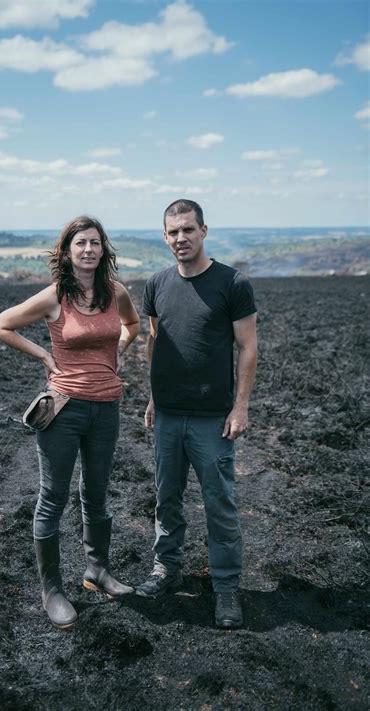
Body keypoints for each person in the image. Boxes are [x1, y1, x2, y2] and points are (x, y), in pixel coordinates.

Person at [0, 216, 139, 630]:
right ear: (68, 252)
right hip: (64, 410)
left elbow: (133, 325)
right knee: (53, 498)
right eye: (80, 244)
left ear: (104, 249)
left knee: (96, 494)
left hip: (107, 408)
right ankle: (52, 590)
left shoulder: (117, 294)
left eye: (95, 243)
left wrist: (117, 352)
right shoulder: (56, 296)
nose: (88, 250)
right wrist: (42, 356)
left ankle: (98, 572)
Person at [135, 199, 257, 630]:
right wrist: (153, 396)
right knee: (165, 500)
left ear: (204, 230)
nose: (181, 238)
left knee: (218, 505)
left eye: (188, 229)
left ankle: (226, 589)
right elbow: (155, 342)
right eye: (173, 232)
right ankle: (167, 570)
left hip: (212, 419)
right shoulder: (157, 284)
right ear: (164, 237)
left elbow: (248, 347)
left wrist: (240, 407)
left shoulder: (232, 283)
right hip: (168, 416)